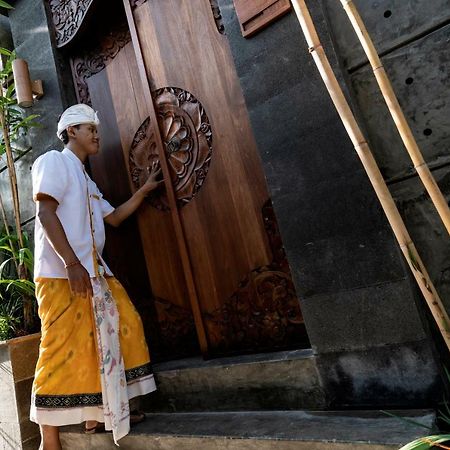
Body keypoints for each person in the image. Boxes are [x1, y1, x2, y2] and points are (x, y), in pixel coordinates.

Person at [30, 104, 162, 449]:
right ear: (71, 131)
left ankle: (104, 410)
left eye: (96, 129)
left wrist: (144, 191)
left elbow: (114, 218)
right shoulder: (53, 162)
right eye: (90, 127)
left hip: (94, 273)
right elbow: (45, 212)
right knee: (60, 348)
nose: (97, 133)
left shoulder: (85, 179)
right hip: (61, 274)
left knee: (125, 327)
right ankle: (49, 439)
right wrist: (72, 264)